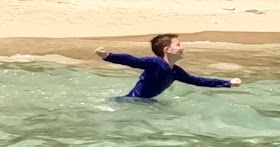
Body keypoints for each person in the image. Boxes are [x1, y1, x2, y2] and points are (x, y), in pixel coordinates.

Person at [94, 34, 242, 100]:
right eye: (178, 45)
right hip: (132, 102)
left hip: (144, 104)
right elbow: (133, 60)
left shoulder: (175, 72)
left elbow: (197, 81)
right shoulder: (155, 63)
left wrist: (227, 83)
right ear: (167, 50)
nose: (182, 48)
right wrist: (108, 56)